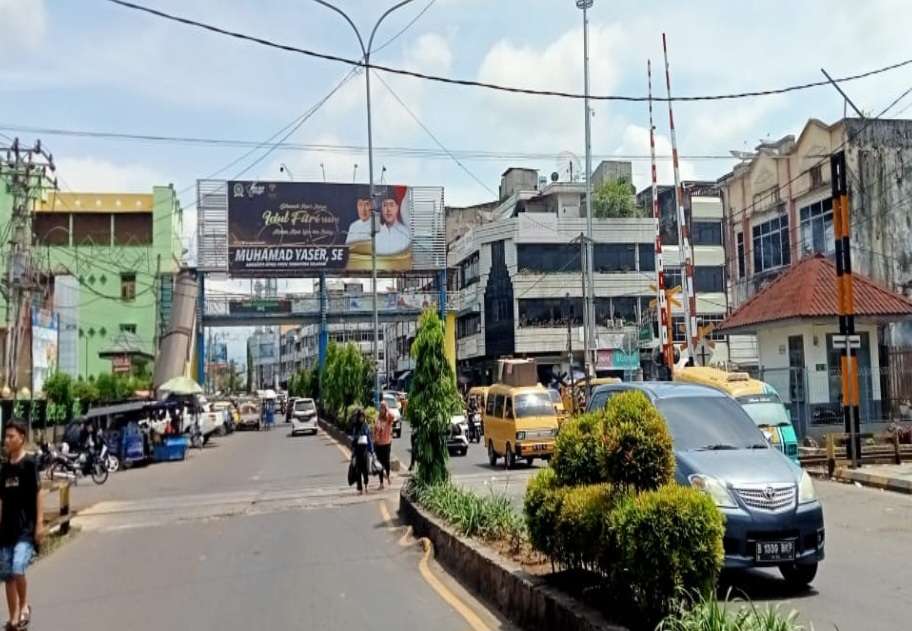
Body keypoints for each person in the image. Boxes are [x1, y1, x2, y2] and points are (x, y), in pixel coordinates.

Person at [0, 420, 42, 630]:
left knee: (18, 568)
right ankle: (13, 617)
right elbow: (1, 500)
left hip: (25, 528)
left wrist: (39, 525)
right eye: (5, 436)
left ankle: (24, 605)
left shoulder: (30, 464)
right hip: (6, 529)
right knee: (7, 575)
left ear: (21, 438)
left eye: (11, 436)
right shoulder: (5, 468)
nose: (6, 440)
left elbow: (37, 494)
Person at [350, 411, 373, 494]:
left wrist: (371, 450)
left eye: (363, 417)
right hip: (357, 451)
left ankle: (366, 485)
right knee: (358, 471)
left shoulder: (366, 426)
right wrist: (357, 437)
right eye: (360, 417)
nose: (361, 418)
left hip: (365, 451)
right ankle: (360, 488)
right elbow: (353, 438)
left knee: (365, 470)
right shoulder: (355, 427)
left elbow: (369, 439)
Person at [374, 402, 394, 489]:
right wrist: (375, 438)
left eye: (383, 408)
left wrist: (387, 409)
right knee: (380, 464)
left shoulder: (388, 419)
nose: (381, 409)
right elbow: (375, 430)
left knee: (386, 462)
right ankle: (381, 483)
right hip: (378, 444)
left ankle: (388, 476)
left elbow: (393, 416)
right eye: (381, 408)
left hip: (387, 443)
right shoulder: (378, 419)